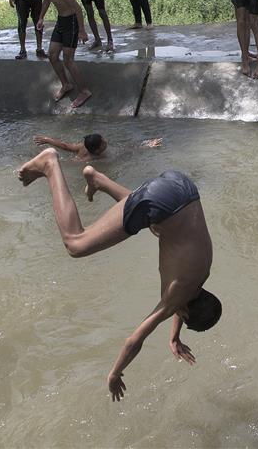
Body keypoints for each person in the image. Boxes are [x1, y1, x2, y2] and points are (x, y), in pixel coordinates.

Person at [17, 148, 221, 401]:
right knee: (76, 244)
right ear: (185, 310)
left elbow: (181, 307)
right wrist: (115, 373)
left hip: (182, 189)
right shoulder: (175, 299)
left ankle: (98, 180)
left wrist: (174, 337)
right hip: (161, 202)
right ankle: (49, 164)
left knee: (155, 226)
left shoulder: (201, 274)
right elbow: (133, 341)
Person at [35, 0, 92, 109]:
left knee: (68, 59)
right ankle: (66, 84)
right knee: (52, 55)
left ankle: (84, 91)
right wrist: (41, 17)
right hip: (61, 21)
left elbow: (78, 8)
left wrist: (82, 31)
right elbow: (47, 0)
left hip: (72, 22)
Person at [32, 133, 163, 161]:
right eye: (103, 142)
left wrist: (47, 139)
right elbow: (127, 151)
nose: (106, 140)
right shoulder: (95, 157)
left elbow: (65, 146)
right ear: (98, 150)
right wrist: (147, 146)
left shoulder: (81, 146)